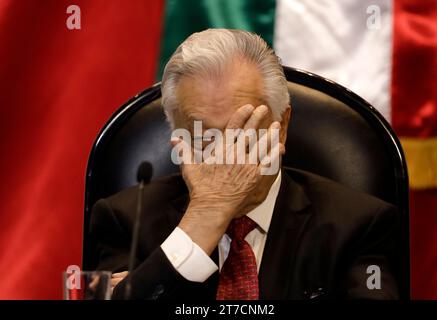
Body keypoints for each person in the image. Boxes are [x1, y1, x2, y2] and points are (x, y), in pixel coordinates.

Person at [90, 29, 400, 300]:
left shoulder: (359, 225)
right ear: (177, 136)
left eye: (242, 133)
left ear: (283, 124)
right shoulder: (125, 220)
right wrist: (204, 219)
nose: (227, 156)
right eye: (205, 137)